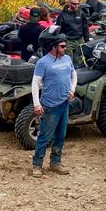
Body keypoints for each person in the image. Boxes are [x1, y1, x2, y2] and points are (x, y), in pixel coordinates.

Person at [31, 35, 77, 177]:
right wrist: (37, 104)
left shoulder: (67, 59)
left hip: (64, 103)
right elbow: (35, 83)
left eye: (65, 46)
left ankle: (55, 163)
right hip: (50, 105)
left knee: (61, 135)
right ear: (53, 47)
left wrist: (72, 90)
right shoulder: (43, 63)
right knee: (44, 136)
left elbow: (73, 74)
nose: (65, 49)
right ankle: (37, 165)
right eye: (62, 46)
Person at [55, 0, 89, 66]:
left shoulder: (81, 13)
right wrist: (61, 41)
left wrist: (87, 40)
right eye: (74, 4)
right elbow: (58, 29)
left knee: (79, 61)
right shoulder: (62, 15)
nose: (76, 6)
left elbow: (85, 27)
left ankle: (78, 75)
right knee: (68, 61)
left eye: (77, 4)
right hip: (68, 40)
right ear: (69, 4)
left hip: (79, 40)